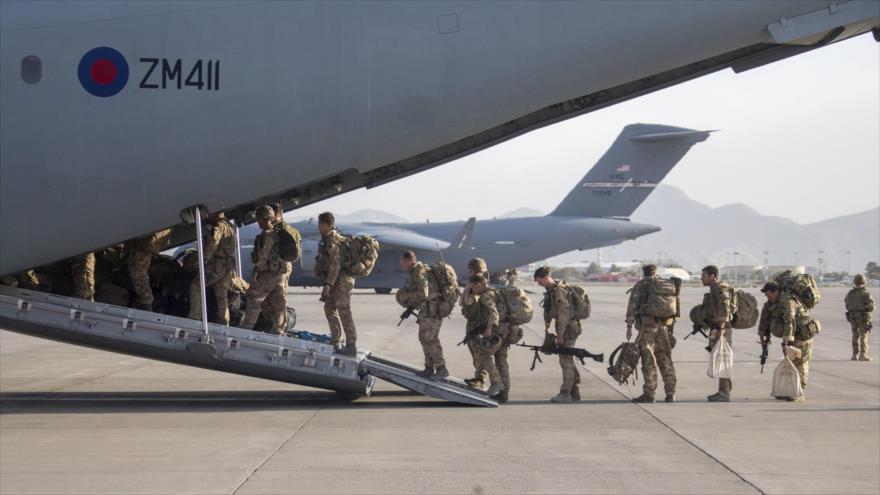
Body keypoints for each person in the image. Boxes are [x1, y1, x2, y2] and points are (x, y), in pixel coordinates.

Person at [625, 264, 676, 403]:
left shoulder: (641, 285)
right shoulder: (666, 285)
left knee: (648, 360)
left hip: (647, 328)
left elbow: (632, 306)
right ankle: (671, 393)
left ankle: (649, 393)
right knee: (665, 359)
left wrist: (629, 326)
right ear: (655, 272)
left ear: (644, 273)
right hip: (664, 328)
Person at [759, 281, 815, 401]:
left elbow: (790, 322)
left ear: (776, 292)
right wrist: (762, 337)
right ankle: (788, 390)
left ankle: (799, 392)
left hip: (802, 334)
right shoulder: (771, 304)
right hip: (791, 335)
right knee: (791, 362)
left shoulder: (789, 302)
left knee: (800, 362)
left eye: (769, 295)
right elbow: (764, 320)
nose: (768, 298)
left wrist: (786, 343)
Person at [534, 266, 582, 404]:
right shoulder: (552, 291)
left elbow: (564, 313)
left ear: (545, 277)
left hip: (567, 328)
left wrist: (560, 334)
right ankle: (574, 390)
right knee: (568, 358)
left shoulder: (559, 291)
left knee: (565, 360)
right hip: (566, 327)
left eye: (539, 281)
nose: (539, 284)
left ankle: (565, 393)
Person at [240, 206, 290, 334]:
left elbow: (263, 256)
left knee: (254, 297)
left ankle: (247, 327)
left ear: (263, 219)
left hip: (269, 273)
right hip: (280, 273)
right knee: (278, 302)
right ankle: (278, 330)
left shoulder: (268, 235)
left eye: (259, 220)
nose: (259, 223)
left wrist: (256, 272)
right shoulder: (278, 232)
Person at [398, 251, 448, 380]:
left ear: (409, 261)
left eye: (402, 263)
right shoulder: (413, 273)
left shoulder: (419, 272)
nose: (401, 265)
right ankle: (429, 368)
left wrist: (408, 295)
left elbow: (423, 294)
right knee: (423, 338)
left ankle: (442, 368)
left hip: (433, 310)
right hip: (426, 310)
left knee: (430, 338)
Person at [315, 212, 357, 355]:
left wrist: (327, 285)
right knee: (329, 309)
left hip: (342, 281)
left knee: (344, 312)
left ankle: (351, 345)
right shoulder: (327, 239)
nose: (318, 226)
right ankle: (336, 341)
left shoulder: (333, 241)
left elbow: (335, 265)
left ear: (327, 225)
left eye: (320, 224)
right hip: (336, 280)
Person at [461, 273, 506, 399]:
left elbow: (494, 314)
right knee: (485, 356)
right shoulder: (492, 292)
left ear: (478, 284)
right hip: (500, 331)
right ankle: (498, 387)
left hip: (495, 332)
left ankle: (497, 384)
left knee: (483, 355)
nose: (472, 290)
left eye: (473, 287)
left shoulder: (486, 296)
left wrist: (489, 329)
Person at [188, 212, 237, 324]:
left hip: (216, 265)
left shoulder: (218, 227)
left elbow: (213, 244)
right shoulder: (230, 226)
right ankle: (224, 321)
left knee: (196, 286)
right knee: (221, 295)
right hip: (226, 266)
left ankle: (195, 317)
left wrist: (201, 261)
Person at [697, 265, 735, 402]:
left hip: (721, 329)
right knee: (720, 359)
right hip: (717, 328)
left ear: (712, 276)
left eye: (704, 276)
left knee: (722, 360)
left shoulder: (720, 288)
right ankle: (723, 391)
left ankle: (724, 393)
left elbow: (725, 307)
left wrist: (721, 328)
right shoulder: (714, 289)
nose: (701, 278)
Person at [125, 228, 173, 311]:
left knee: (139, 270)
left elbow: (153, 246)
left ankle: (145, 302)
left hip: (144, 244)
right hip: (142, 243)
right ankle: (145, 302)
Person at [461, 257, 490, 388]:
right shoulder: (481, 282)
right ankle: (479, 378)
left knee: (478, 352)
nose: (468, 272)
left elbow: (469, 302)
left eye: (470, 270)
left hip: (477, 323)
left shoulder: (476, 283)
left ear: (474, 270)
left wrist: (467, 293)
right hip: (476, 322)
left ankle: (481, 379)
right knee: (476, 352)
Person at [845, 274, 874, 361]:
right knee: (863, 335)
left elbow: (847, 304)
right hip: (863, 317)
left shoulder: (850, 293)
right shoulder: (866, 293)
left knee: (855, 335)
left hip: (852, 317)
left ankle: (854, 355)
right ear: (864, 282)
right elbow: (871, 306)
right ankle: (863, 355)